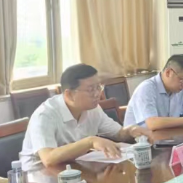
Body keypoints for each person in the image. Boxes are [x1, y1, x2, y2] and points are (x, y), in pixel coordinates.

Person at [21, 64, 153, 170]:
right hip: (38, 176)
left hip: (73, 168)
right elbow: (48, 159)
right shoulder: (45, 115)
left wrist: (131, 130)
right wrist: (90, 142)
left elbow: (118, 134)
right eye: (91, 90)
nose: (97, 94)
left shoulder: (93, 109)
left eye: (98, 87)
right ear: (69, 94)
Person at [124, 54, 183, 130]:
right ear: (168, 72)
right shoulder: (146, 88)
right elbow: (152, 123)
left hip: (166, 138)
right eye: (182, 79)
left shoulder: (181, 90)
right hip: (138, 141)